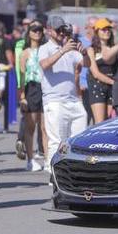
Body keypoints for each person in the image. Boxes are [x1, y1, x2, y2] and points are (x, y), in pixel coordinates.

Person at [39, 16, 91, 172]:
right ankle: (54, 174)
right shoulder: (45, 48)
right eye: (58, 29)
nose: (62, 32)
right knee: (56, 140)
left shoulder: (70, 48)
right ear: (49, 31)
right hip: (54, 101)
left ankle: (75, 171)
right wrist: (62, 50)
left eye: (64, 29)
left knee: (78, 139)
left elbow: (86, 64)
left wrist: (85, 53)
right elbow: (45, 64)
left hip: (74, 100)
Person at [18, 20, 46, 171]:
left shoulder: (46, 50)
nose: (37, 32)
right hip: (32, 88)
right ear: (29, 33)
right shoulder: (25, 53)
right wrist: (22, 96)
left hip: (46, 87)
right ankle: (30, 159)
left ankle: (47, 159)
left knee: (45, 126)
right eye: (34, 30)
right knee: (31, 125)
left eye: (40, 30)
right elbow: (22, 76)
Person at [86, 18, 115, 124]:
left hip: (112, 88)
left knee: (111, 121)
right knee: (99, 123)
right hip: (97, 87)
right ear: (97, 32)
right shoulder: (92, 50)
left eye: (108, 29)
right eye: (103, 29)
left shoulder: (114, 48)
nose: (107, 31)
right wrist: (114, 82)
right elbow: (95, 73)